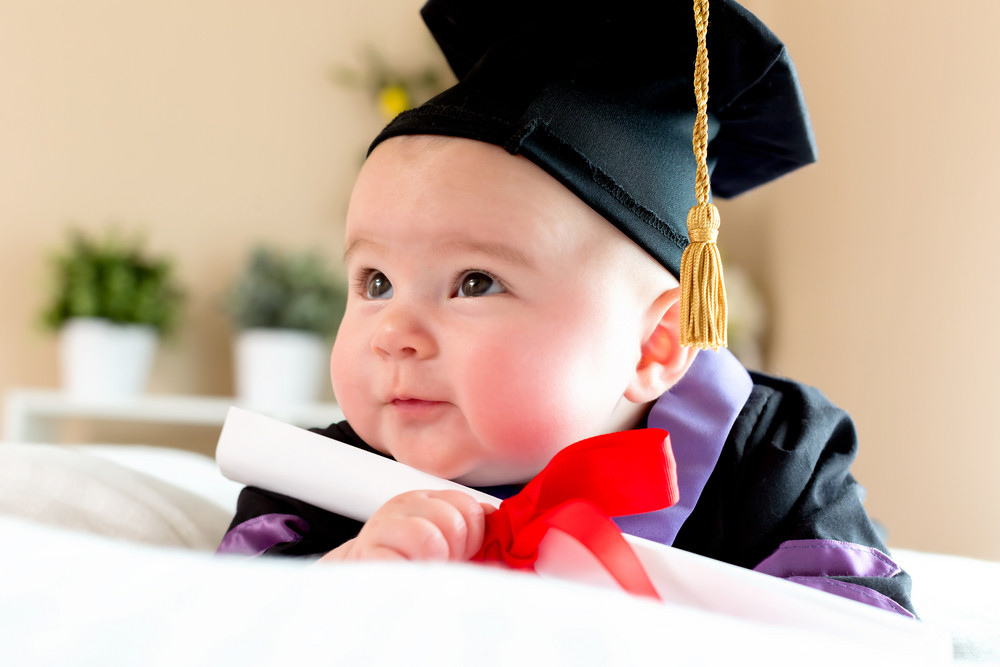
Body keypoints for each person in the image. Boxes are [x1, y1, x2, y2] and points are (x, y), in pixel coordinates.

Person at [218, 0, 914, 616]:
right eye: (374, 282)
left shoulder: (769, 462)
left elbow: (863, 628)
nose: (394, 332)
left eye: (475, 282)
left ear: (654, 346)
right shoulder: (323, 478)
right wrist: (337, 587)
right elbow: (210, 613)